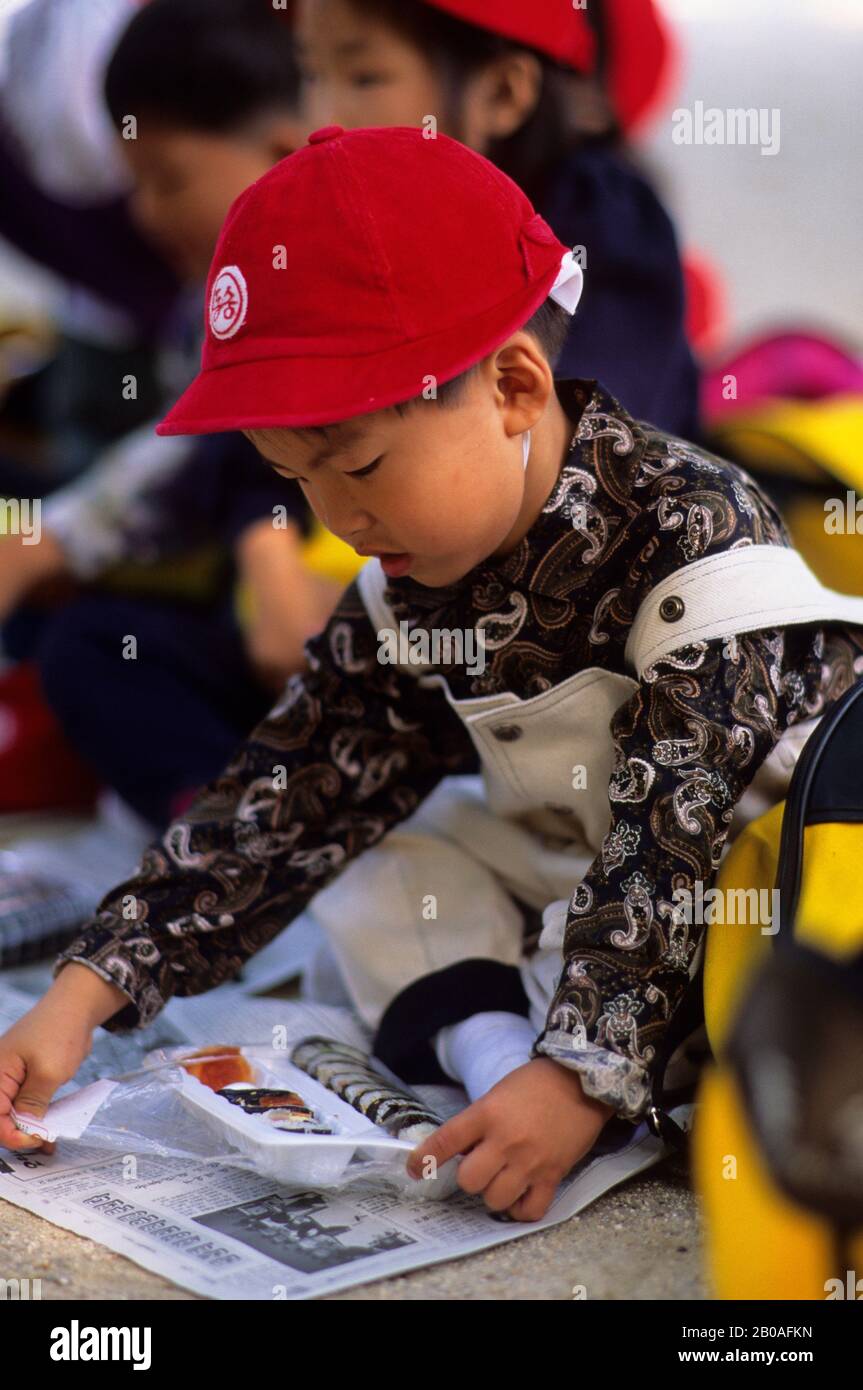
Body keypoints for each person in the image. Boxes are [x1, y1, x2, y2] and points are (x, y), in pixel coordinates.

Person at [3, 127, 863, 1225]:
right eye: (292, 476)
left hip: (749, 867)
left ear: (511, 384)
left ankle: (560, 1078)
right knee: (381, 865)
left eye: (358, 462)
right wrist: (84, 993)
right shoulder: (403, 584)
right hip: (577, 870)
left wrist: (580, 1073)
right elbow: (292, 791)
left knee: (766, 1004)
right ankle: (493, 1049)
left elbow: (671, 843)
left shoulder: (692, 534)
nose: (340, 516)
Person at [0, 0, 347, 830]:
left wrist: (48, 542)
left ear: (277, 150)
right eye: (134, 184)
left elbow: (216, 450)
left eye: (167, 179)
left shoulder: (332, 274)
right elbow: (205, 451)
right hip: (255, 607)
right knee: (91, 647)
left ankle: (247, 845)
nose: (145, 213)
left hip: (347, 602)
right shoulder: (212, 300)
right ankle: (215, 825)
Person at [290, 0, 701, 438]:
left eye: (365, 77)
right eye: (311, 73)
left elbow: (576, 440)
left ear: (502, 92)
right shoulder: (345, 232)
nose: (320, 120)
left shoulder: (602, 220)